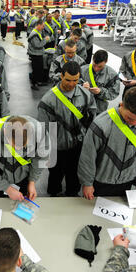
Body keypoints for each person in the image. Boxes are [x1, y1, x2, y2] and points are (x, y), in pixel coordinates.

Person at [78, 87, 136, 199]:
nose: (135, 123)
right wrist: (87, 183)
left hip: (128, 181)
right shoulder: (101, 124)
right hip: (100, 181)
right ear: (121, 105)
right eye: (130, 118)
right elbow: (88, 157)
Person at [39, 61, 96, 197]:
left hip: (78, 145)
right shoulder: (48, 100)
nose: (71, 84)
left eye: (75, 80)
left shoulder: (85, 95)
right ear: (61, 76)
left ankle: (72, 193)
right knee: (55, 174)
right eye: (68, 80)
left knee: (75, 173)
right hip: (57, 147)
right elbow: (43, 128)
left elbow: (92, 117)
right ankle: (54, 193)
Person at [0, 115, 50, 201]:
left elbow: (41, 158)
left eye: (23, 146)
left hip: (23, 176)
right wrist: (7, 188)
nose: (18, 149)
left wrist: (32, 181)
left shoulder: (40, 133)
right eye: (14, 145)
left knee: (20, 205)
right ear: (5, 132)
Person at [81, 49, 120, 114]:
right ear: (92, 59)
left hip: (98, 108)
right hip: (82, 105)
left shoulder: (112, 75)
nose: (96, 69)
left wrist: (100, 91)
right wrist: (81, 86)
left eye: (100, 66)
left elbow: (113, 94)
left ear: (106, 61)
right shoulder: (83, 69)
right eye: (94, 65)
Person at [27, 20, 50, 90]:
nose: (43, 27)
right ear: (39, 25)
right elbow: (38, 45)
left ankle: (38, 81)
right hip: (35, 54)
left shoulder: (37, 32)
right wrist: (45, 40)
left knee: (39, 69)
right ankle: (34, 84)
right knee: (36, 69)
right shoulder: (34, 34)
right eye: (43, 26)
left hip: (38, 53)